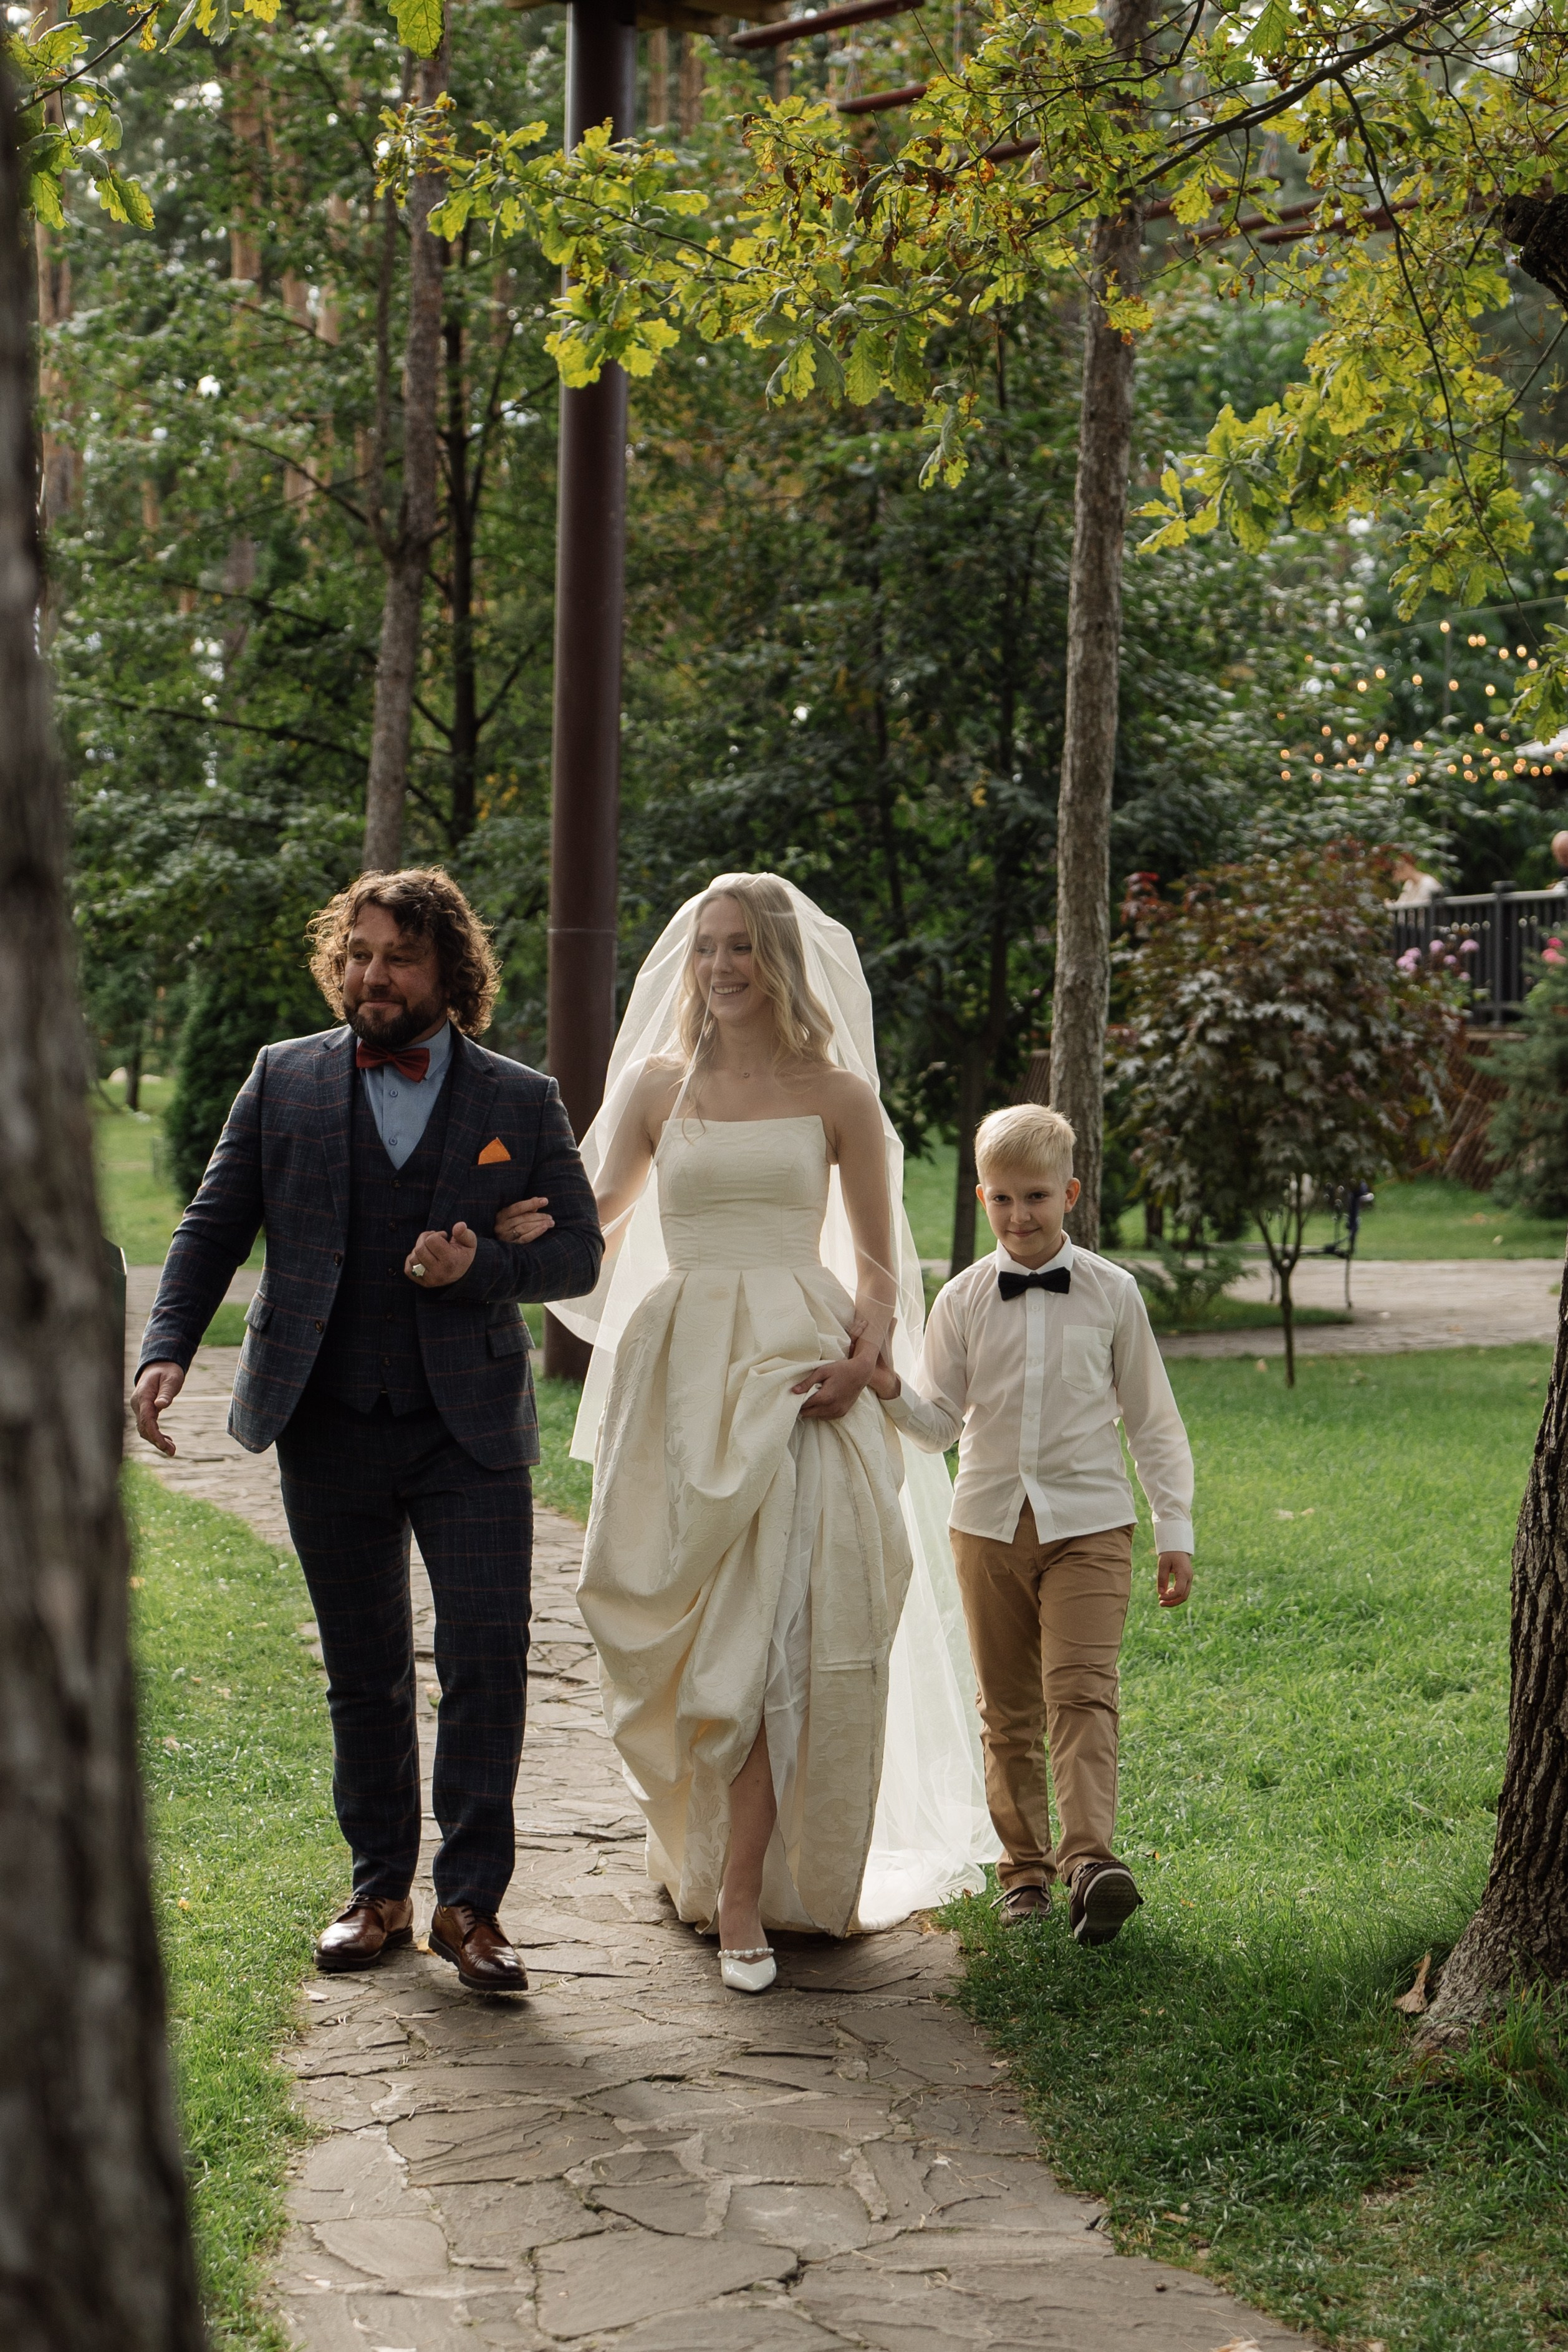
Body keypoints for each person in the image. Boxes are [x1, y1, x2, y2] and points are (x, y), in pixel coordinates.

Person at [503, 874, 994, 1992]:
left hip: (796, 1378)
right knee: (683, 1634)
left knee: (778, 1634)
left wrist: (861, 1363)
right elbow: (596, 1222)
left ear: (778, 961)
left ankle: (744, 1901)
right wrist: (528, 1223)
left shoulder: (839, 1097)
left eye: (740, 949)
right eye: (706, 949)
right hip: (681, 1377)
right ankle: (703, 1860)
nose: (719, 967)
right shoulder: (656, 1091)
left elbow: (879, 1269)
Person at [132, 870, 602, 1992]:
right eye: (357, 953)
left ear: (449, 971)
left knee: (487, 1657)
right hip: (326, 1415)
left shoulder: (518, 1099)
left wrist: (480, 1263)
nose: (370, 976)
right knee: (365, 1670)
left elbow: (578, 1253)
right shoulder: (282, 1079)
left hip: (470, 1427)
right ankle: (380, 1888)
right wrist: (164, 1348)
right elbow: (212, 1223)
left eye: (396, 957)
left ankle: (471, 1906)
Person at [867, 1104, 1194, 1946]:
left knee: (1082, 1693)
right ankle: (1026, 1874)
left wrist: (1175, 1530)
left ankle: (1091, 1864)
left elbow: (1152, 1421)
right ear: (983, 1197)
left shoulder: (1114, 1295)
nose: (1021, 1215)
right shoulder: (964, 1298)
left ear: (1071, 1195)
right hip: (986, 1526)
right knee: (1006, 1709)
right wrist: (887, 1386)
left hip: (1092, 1524)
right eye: (1004, 1198)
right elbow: (939, 1424)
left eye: (1037, 1197)